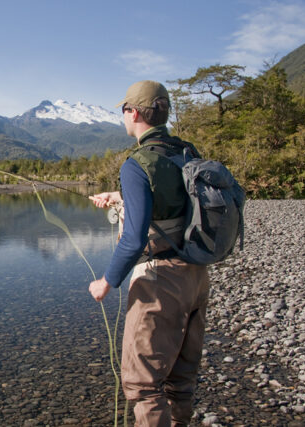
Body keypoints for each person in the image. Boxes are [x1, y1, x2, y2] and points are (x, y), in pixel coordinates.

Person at [88, 80, 210, 426]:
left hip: (161, 282)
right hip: (197, 276)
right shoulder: (185, 151)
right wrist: (120, 197)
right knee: (180, 379)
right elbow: (173, 205)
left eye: (125, 109)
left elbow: (133, 238)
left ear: (135, 112)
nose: (123, 116)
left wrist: (107, 281)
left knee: (142, 384)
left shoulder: (136, 164)